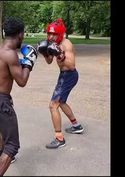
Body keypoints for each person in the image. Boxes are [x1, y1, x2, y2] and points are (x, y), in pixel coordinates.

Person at [0, 17, 38, 176]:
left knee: (4, 127)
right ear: (20, 34)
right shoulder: (11, 55)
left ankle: (0, 155)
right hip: (1, 101)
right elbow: (22, 81)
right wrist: (29, 63)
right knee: (13, 145)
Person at [37, 18, 84, 149]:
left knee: (53, 105)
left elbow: (71, 65)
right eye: (49, 34)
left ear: (61, 34)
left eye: (54, 34)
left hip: (69, 75)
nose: (51, 37)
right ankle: (76, 126)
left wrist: (60, 54)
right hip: (64, 75)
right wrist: (45, 53)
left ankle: (59, 138)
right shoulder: (51, 43)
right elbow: (49, 61)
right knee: (61, 102)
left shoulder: (66, 44)